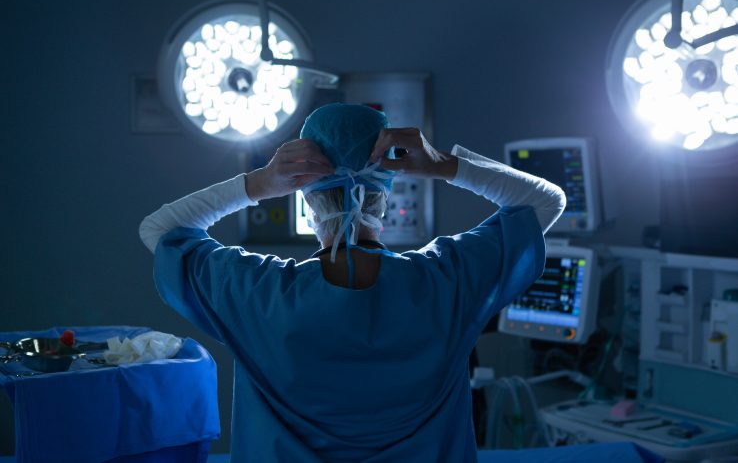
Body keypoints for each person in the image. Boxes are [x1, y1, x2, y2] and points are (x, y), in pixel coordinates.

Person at [139, 103, 565, 462]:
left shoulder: (258, 294)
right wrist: (444, 166)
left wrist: (259, 183)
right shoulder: (445, 281)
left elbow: (159, 230)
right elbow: (546, 202)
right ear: (386, 195)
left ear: (305, 198)